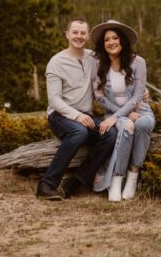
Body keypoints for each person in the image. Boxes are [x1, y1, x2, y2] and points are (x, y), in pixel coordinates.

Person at [36, 18, 118, 200]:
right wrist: (76, 115)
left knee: (110, 133)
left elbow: (120, 66)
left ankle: (76, 181)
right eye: (75, 32)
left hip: (86, 115)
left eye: (82, 33)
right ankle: (47, 184)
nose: (79, 36)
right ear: (67, 34)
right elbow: (54, 100)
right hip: (60, 115)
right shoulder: (56, 62)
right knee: (79, 133)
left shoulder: (93, 57)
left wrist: (140, 88)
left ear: (88, 36)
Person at [90, 19, 155, 202]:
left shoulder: (138, 62)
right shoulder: (97, 63)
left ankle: (133, 176)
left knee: (144, 123)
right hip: (114, 113)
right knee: (126, 126)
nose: (111, 42)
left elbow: (137, 96)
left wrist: (123, 114)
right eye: (106, 39)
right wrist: (121, 115)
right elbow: (99, 96)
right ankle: (116, 181)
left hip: (141, 109)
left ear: (122, 40)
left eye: (115, 38)